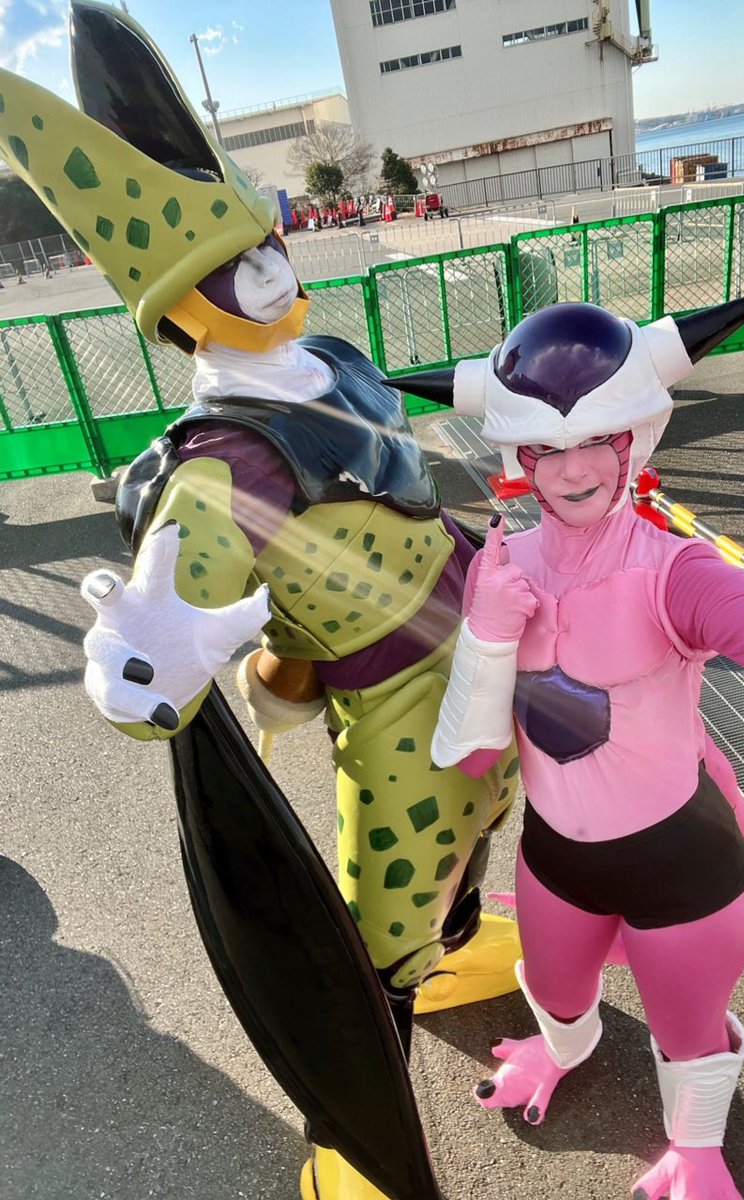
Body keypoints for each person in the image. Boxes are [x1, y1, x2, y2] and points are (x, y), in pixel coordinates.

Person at [0, 6, 520, 1198]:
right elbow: (160, 644)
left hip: (486, 634)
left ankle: (453, 946)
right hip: (397, 709)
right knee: (376, 924)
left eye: (269, 239)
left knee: (492, 812)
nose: (273, 268)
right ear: (181, 305)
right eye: (239, 265)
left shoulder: (331, 359)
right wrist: (145, 660)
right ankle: (363, 1133)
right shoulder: (219, 464)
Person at [397, 290, 744, 1200]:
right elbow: (468, 754)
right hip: (556, 856)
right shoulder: (499, 565)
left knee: (687, 1031)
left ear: (633, 439)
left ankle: (697, 1149)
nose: (572, 471)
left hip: (682, 863)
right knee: (553, 989)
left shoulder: (675, 570)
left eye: (597, 441)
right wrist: (488, 631)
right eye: (545, 449)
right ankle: (560, 1051)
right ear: (517, 457)